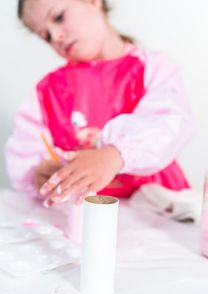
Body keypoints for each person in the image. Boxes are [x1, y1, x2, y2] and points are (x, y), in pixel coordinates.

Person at [6, 0, 195, 208]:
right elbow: (26, 149)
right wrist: (39, 173)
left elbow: (167, 124)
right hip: (86, 216)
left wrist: (114, 155)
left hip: (158, 210)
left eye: (59, 17)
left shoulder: (154, 68)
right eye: (46, 36)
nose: (56, 37)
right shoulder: (47, 91)